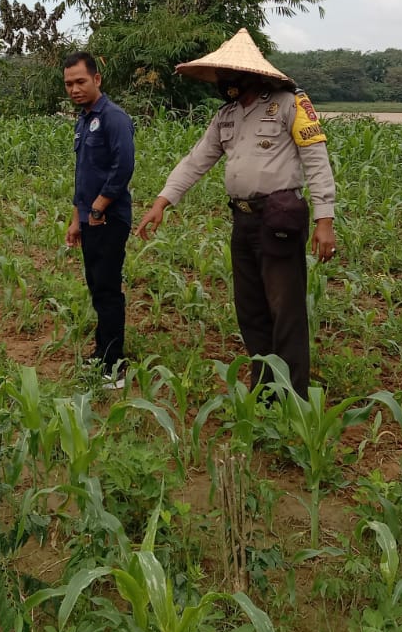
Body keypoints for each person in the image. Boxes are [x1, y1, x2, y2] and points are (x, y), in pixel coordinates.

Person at [135, 29, 336, 398]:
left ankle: (293, 397)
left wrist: (325, 221)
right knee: (251, 309)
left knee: (284, 310)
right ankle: (264, 391)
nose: (224, 83)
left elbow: (316, 160)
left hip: (278, 219)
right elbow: (197, 160)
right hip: (242, 221)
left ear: (253, 74)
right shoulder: (226, 116)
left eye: (231, 75)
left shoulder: (289, 103)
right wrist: (162, 201)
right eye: (221, 76)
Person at [63, 52, 135, 389]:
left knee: (107, 289)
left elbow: (123, 168)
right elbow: (84, 175)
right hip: (91, 219)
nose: (74, 89)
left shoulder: (114, 118)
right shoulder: (84, 119)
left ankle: (115, 365)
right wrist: (78, 218)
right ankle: (102, 353)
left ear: (97, 80)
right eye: (68, 84)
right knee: (96, 286)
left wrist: (97, 209)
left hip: (108, 220)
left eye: (80, 81)